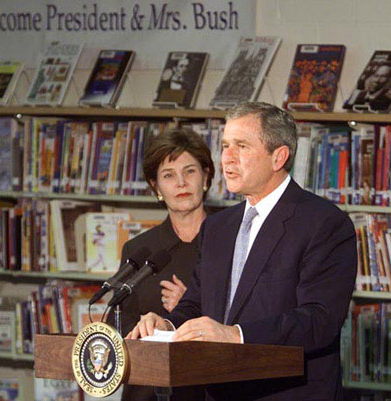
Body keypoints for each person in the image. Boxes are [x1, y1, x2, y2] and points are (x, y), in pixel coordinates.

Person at [128, 102, 357, 401]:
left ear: (279, 157)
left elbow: (319, 320)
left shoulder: (324, 223)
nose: (227, 159)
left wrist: (235, 335)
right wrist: (167, 324)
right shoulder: (218, 227)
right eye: (224, 146)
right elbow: (197, 303)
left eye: (241, 146)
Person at [116, 128, 215, 401]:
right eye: (169, 175)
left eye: (190, 171)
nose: (181, 183)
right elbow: (125, 334)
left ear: (206, 177)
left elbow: (248, 325)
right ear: (156, 188)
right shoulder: (138, 250)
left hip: (207, 389)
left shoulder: (230, 242)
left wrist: (191, 310)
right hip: (147, 391)